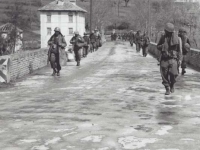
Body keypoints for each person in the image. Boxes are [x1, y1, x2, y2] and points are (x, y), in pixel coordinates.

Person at [157, 23, 182, 95]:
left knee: (174, 73)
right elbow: (157, 46)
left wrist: (180, 59)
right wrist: (163, 46)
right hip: (164, 58)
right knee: (163, 74)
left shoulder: (178, 39)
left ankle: (172, 84)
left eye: (167, 31)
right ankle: (167, 88)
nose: (166, 32)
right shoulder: (163, 37)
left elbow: (180, 50)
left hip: (173, 58)